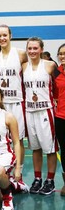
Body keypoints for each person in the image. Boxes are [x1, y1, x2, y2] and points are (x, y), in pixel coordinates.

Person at [0, 24, 28, 191]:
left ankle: (18, 175)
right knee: (0, 139)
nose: (2, 38)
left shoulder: (20, 54)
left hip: (17, 102)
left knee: (17, 140)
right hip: (0, 104)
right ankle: (3, 174)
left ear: (10, 35)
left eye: (4, 35)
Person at [22, 37, 57, 195]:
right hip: (29, 111)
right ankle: (37, 179)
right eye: (29, 48)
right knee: (35, 148)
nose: (32, 51)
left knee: (49, 149)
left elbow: (59, 86)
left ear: (41, 49)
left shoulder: (49, 65)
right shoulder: (23, 67)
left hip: (45, 110)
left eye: (35, 48)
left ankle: (50, 180)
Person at [54, 43, 65, 196]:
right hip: (61, 117)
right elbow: (55, 95)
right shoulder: (57, 73)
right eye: (61, 54)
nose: (63, 56)